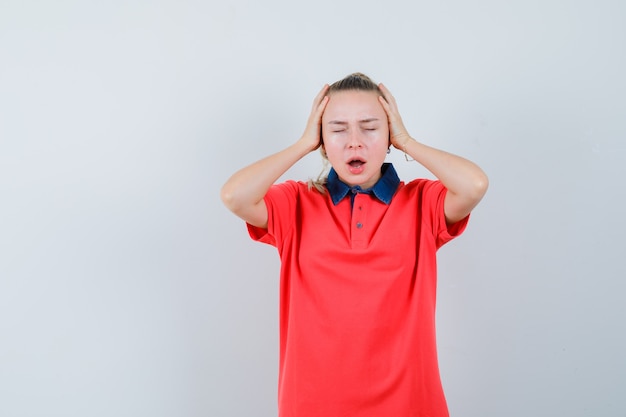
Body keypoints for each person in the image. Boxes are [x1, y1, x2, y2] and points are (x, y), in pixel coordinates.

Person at [220, 72, 488, 417]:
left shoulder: (422, 202)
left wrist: (406, 140)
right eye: (337, 129)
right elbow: (233, 195)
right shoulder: (296, 204)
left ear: (389, 132)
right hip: (312, 405)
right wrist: (302, 144)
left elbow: (475, 185)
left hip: (410, 405)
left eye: (370, 127)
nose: (354, 142)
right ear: (321, 137)